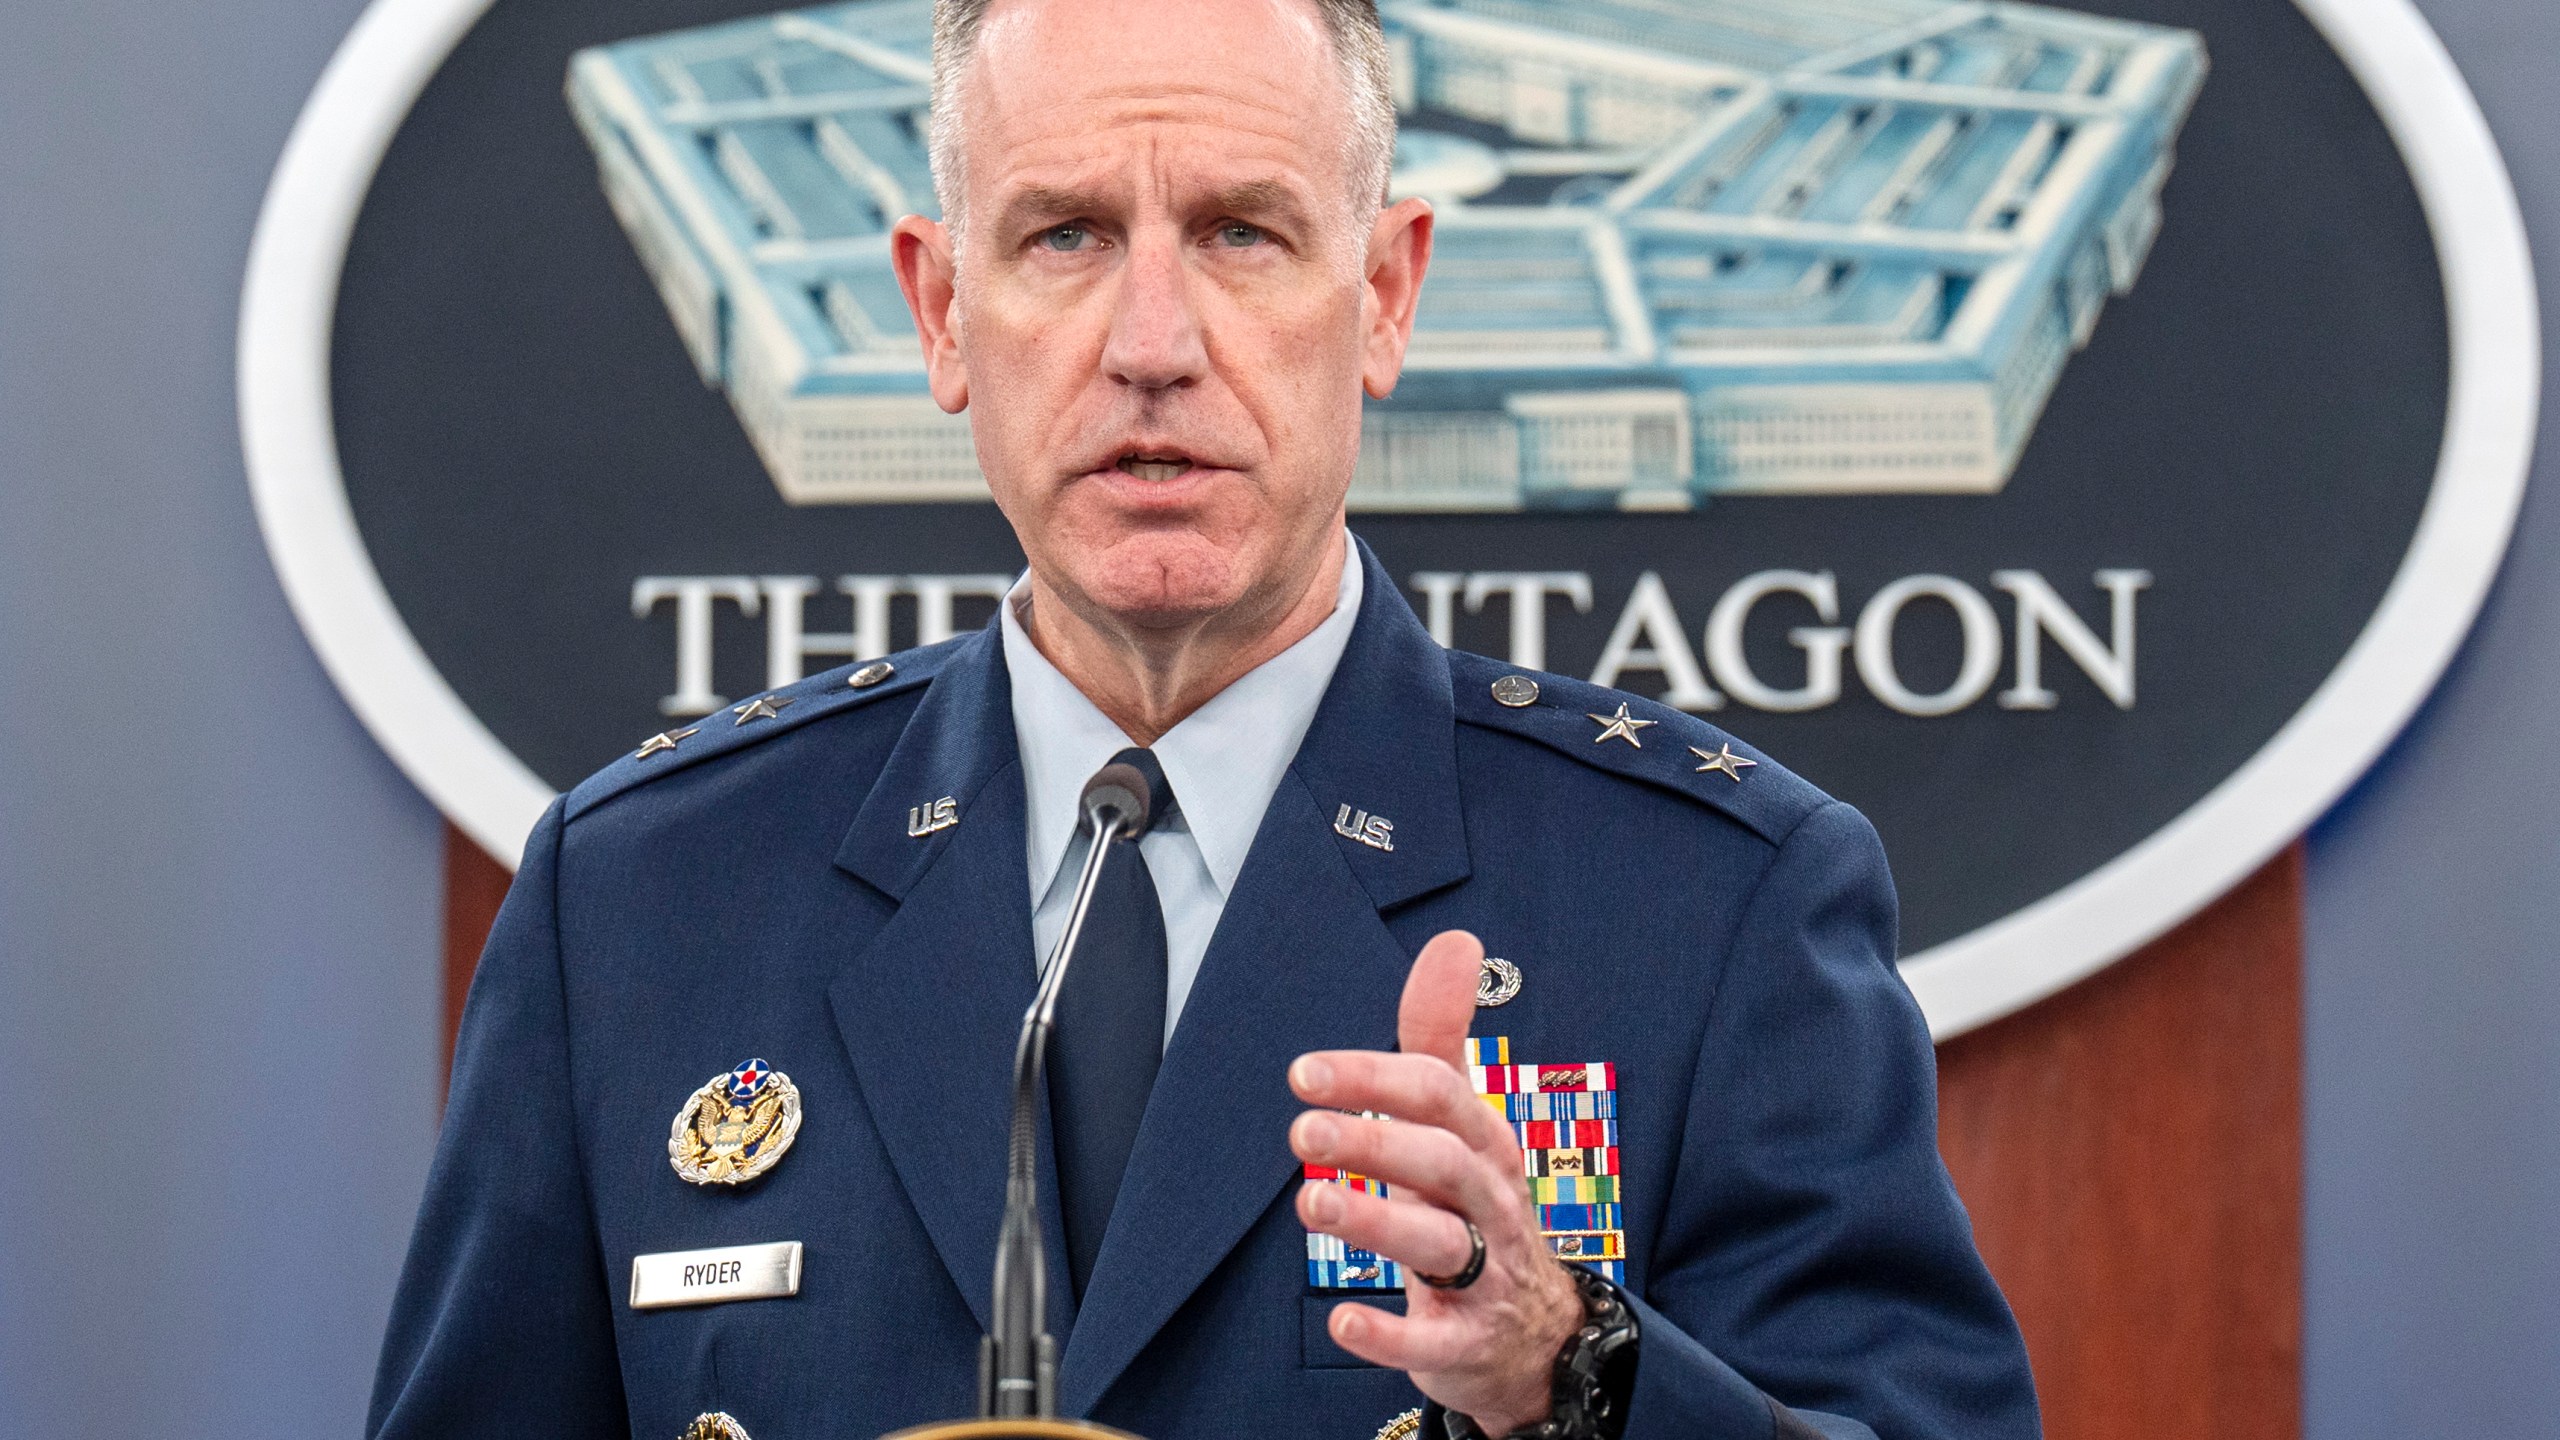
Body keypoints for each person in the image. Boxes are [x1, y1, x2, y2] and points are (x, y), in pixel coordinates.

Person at [369, 0, 2041, 1436]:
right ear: (944, 312)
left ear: (1384, 295)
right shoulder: (646, 898)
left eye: (1242, 231)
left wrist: (1573, 1370)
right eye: (1066, 237)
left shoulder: (1711, 899)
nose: (1152, 346)